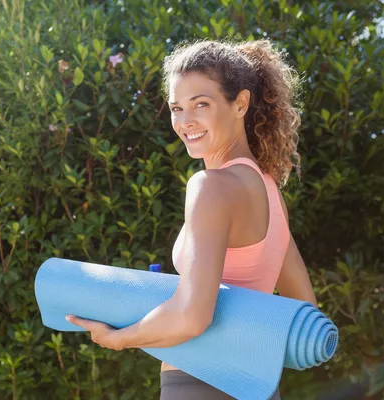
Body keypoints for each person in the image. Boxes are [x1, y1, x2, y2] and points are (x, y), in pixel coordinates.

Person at [66, 38, 319, 399]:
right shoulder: (268, 190)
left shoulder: (210, 186)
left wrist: (120, 338)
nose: (185, 122)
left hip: (198, 385)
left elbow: (192, 316)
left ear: (241, 103)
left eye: (201, 104)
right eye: (176, 107)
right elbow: (305, 307)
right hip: (257, 387)